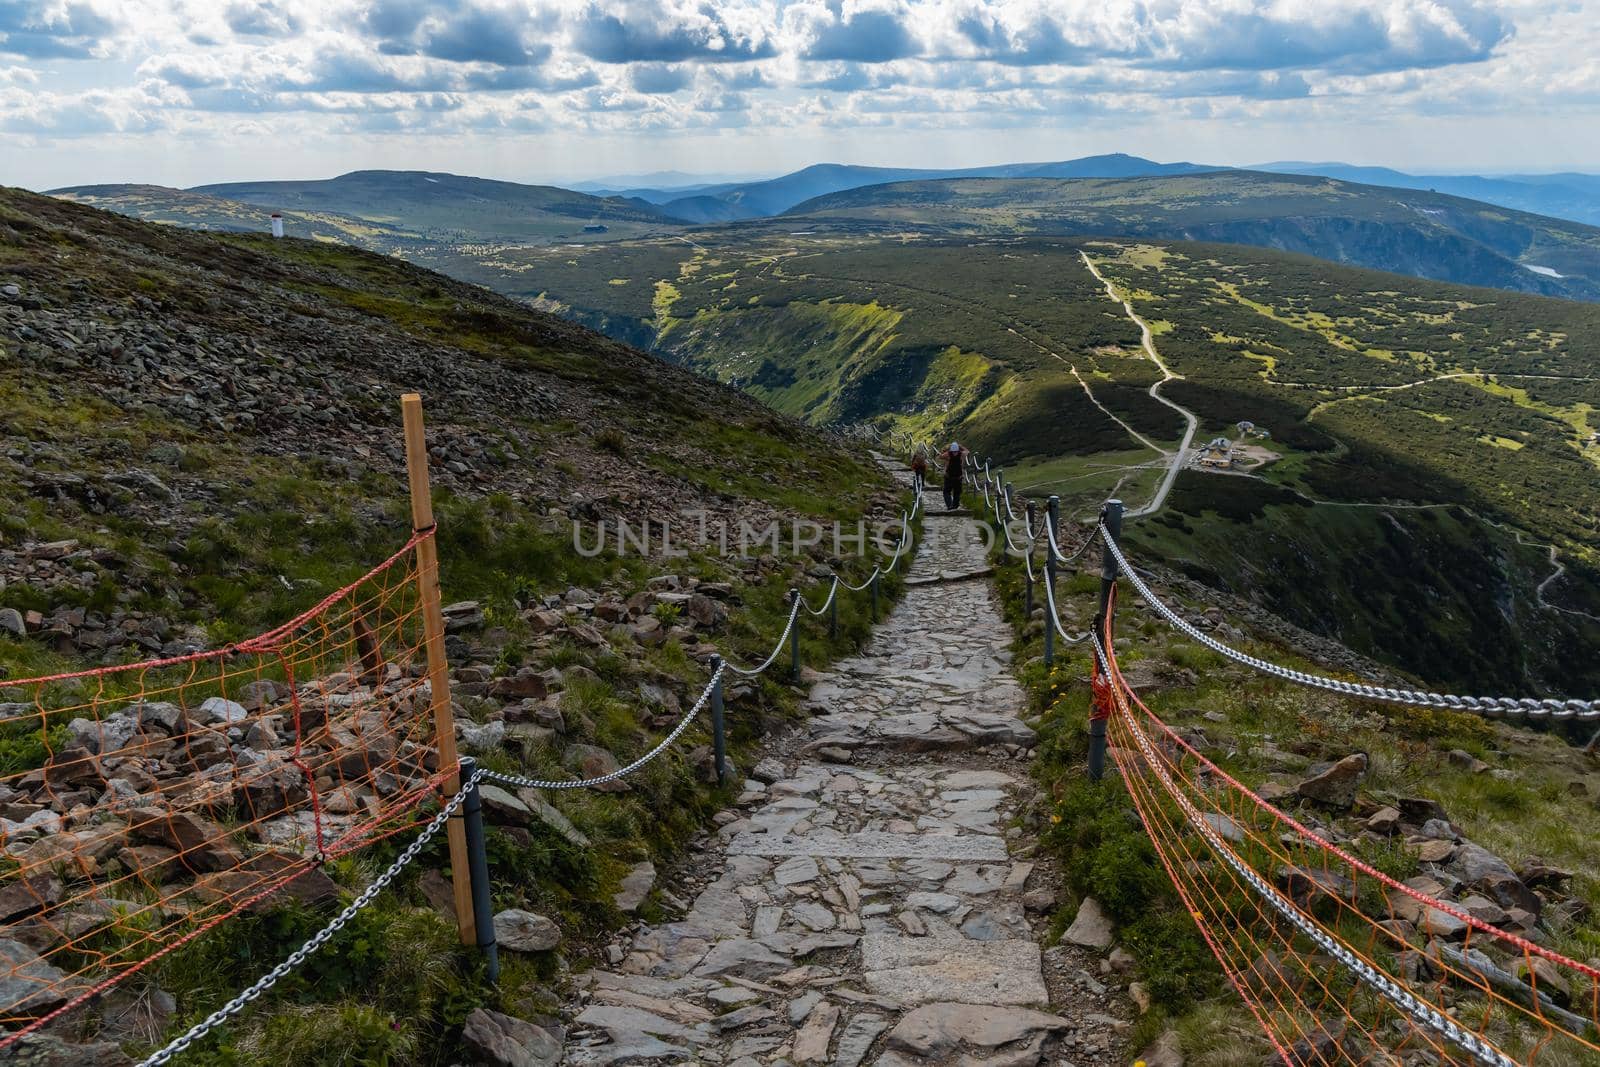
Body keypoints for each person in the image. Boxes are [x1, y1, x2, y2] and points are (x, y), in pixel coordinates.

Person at [938, 441, 965, 510]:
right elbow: (967, 451)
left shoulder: (948, 454)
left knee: (946, 492)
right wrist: (960, 446)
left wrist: (944, 449)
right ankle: (955, 506)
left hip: (948, 476)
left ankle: (949, 505)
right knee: (957, 492)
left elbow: (940, 456)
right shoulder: (961, 454)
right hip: (958, 477)